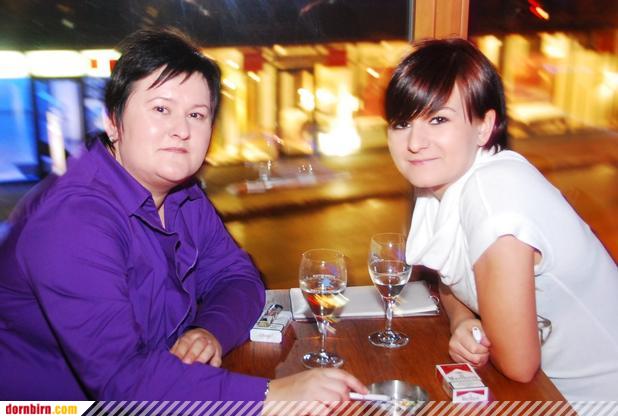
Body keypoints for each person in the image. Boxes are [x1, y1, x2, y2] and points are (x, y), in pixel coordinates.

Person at [0, 28, 366, 401]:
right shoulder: (73, 219)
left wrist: (210, 331)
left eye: (196, 114)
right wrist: (274, 396)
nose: (181, 130)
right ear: (113, 121)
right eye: (161, 109)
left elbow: (238, 277)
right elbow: (121, 382)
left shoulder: (182, 195)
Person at [384, 38, 618, 401]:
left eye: (438, 119)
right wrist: (463, 320)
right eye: (402, 123)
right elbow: (449, 278)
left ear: (483, 126)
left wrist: (474, 328)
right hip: (551, 392)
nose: (415, 142)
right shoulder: (442, 186)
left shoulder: (492, 193)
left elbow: (519, 365)